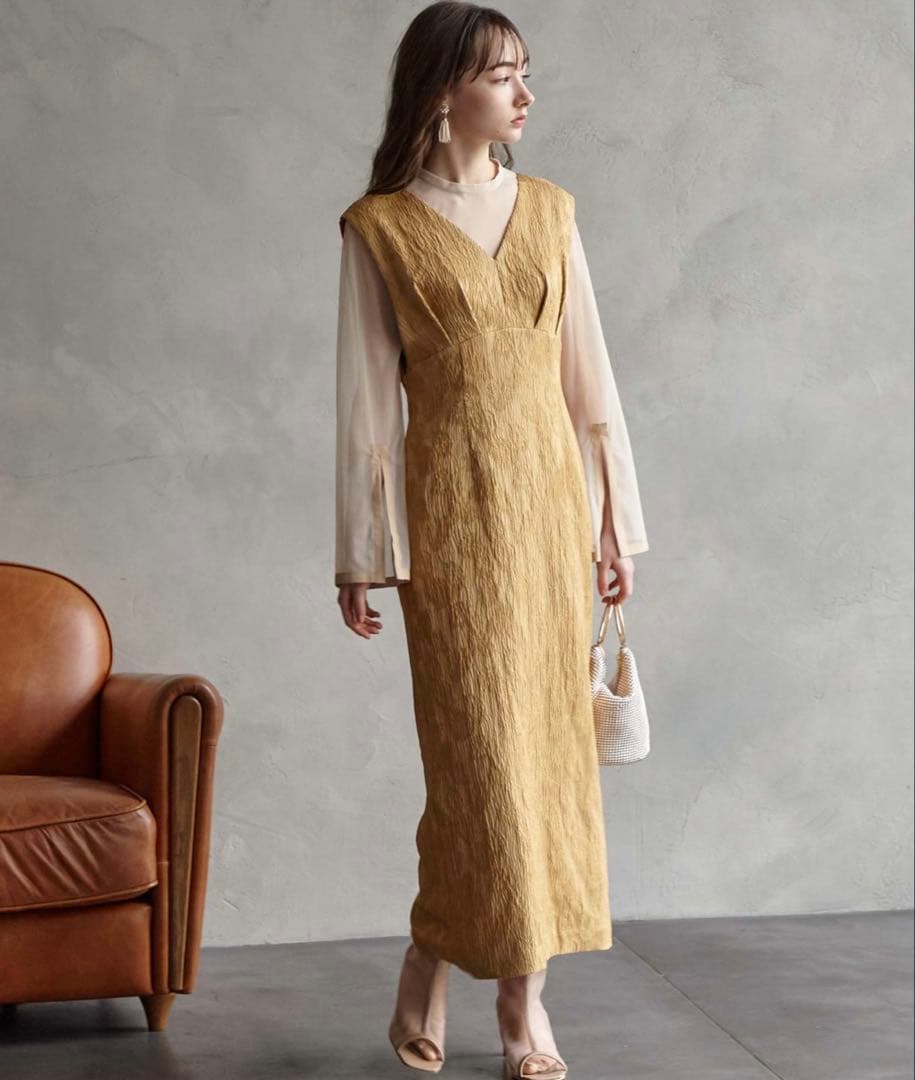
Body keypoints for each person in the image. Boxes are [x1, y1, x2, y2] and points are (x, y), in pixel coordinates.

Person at [333, 4, 649, 1077]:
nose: (524, 93)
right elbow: (366, 407)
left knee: (547, 759)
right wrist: (361, 551)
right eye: (502, 74)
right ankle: (435, 947)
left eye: (524, 72)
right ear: (442, 92)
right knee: (477, 765)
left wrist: (613, 526)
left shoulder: (551, 211)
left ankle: (523, 1006)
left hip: (551, 517)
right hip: (451, 525)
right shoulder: (380, 228)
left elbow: (590, 382)